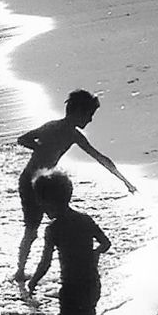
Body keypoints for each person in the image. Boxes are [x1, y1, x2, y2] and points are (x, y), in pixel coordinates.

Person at [15, 90, 135, 282]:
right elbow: (23, 139)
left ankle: (29, 271)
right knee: (33, 228)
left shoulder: (70, 133)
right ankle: (22, 271)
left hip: (45, 183)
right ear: (78, 112)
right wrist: (41, 149)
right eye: (89, 115)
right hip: (31, 182)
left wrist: (124, 180)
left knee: (40, 228)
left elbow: (99, 157)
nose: (90, 120)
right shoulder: (58, 129)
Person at [26, 171, 111, 315]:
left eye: (41, 202)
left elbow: (45, 262)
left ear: (49, 201)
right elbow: (106, 243)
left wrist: (33, 281)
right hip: (93, 284)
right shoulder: (85, 219)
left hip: (72, 290)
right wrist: (94, 254)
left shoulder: (53, 230)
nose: (41, 208)